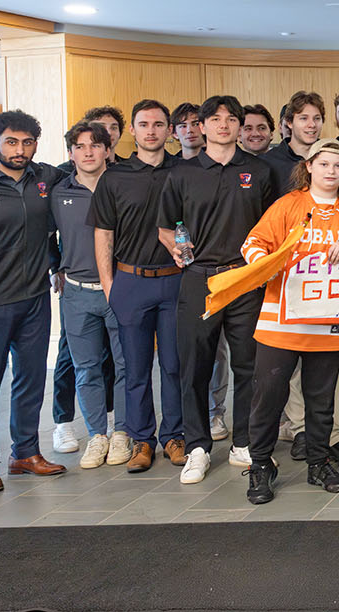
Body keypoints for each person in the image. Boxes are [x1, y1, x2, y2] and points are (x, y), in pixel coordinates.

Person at [240, 139, 339, 503]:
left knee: (321, 398)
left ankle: (318, 460)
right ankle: (261, 464)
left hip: (328, 321)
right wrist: (266, 265)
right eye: (325, 164)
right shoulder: (288, 205)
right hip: (281, 318)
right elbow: (253, 244)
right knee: (268, 395)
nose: (332, 171)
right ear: (310, 166)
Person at [159, 95, 280, 485]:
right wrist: (175, 248)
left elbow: (272, 226)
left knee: (250, 364)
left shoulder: (259, 170)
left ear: (240, 126)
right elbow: (166, 225)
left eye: (232, 119)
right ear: (202, 126)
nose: (223, 125)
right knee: (194, 364)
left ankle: (242, 441)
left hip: (246, 276)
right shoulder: (182, 172)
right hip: (199, 277)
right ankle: (196, 446)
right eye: (215, 119)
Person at [0, 110, 67, 492]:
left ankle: (25, 452)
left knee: (30, 379)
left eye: (27, 142)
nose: (20, 149)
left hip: (35, 298)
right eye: (11, 142)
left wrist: (56, 263)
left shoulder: (46, 179)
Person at [92, 99, 186, 472]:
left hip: (175, 280)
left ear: (170, 130)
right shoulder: (114, 177)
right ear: (132, 130)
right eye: (144, 124)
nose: (151, 131)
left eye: (159, 124)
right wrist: (109, 284)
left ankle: (175, 436)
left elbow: (189, 222)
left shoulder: (183, 171)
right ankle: (142, 441)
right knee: (134, 368)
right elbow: (103, 233)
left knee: (175, 365)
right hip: (130, 281)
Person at [52, 121, 129, 470]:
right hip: (77, 294)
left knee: (127, 365)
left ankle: (124, 433)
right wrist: (56, 267)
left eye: (95, 146)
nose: (88, 152)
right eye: (80, 146)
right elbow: (44, 236)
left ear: (107, 150)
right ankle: (98, 434)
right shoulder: (58, 192)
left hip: (121, 290)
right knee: (86, 369)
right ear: (71, 153)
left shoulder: (122, 187)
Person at [263, 90, 325, 189]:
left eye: (317, 118)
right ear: (289, 123)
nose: (312, 124)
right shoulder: (268, 162)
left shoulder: (332, 159)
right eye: (304, 118)